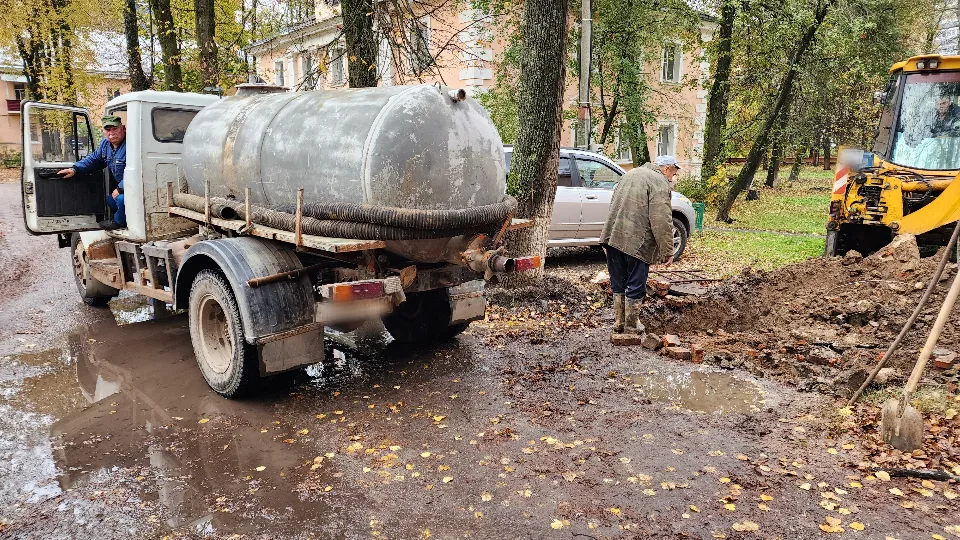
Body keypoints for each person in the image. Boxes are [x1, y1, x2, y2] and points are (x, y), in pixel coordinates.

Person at [600, 154, 677, 337]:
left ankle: (619, 323)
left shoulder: (630, 174)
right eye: (673, 173)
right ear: (666, 168)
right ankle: (632, 326)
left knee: (618, 281)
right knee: (636, 282)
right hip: (636, 242)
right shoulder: (658, 181)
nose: (673, 178)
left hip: (613, 236)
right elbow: (661, 219)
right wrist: (668, 250)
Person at [57, 115, 127, 230]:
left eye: (114, 129)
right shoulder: (106, 145)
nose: (111, 133)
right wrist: (75, 169)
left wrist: (121, 188)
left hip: (136, 187)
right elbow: (94, 159)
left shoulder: (131, 145)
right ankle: (126, 218)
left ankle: (119, 222)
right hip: (125, 188)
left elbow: (138, 171)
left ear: (123, 128)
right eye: (107, 130)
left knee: (121, 199)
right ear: (104, 131)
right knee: (111, 200)